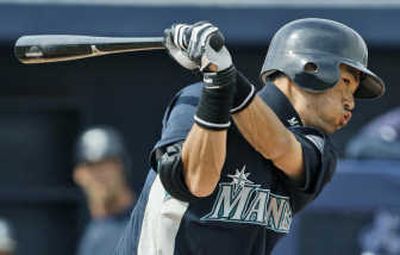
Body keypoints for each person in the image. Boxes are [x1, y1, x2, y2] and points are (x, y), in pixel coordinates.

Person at [114, 18, 385, 255]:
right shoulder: (199, 99)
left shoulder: (320, 152)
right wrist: (218, 83)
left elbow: (278, 146)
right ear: (309, 67)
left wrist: (224, 75)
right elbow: (197, 181)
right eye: (346, 83)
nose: (351, 102)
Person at [73, 126, 136, 255]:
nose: (101, 175)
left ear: (122, 167)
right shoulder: (92, 236)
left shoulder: (146, 219)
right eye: (92, 167)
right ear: (79, 175)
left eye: (107, 165)